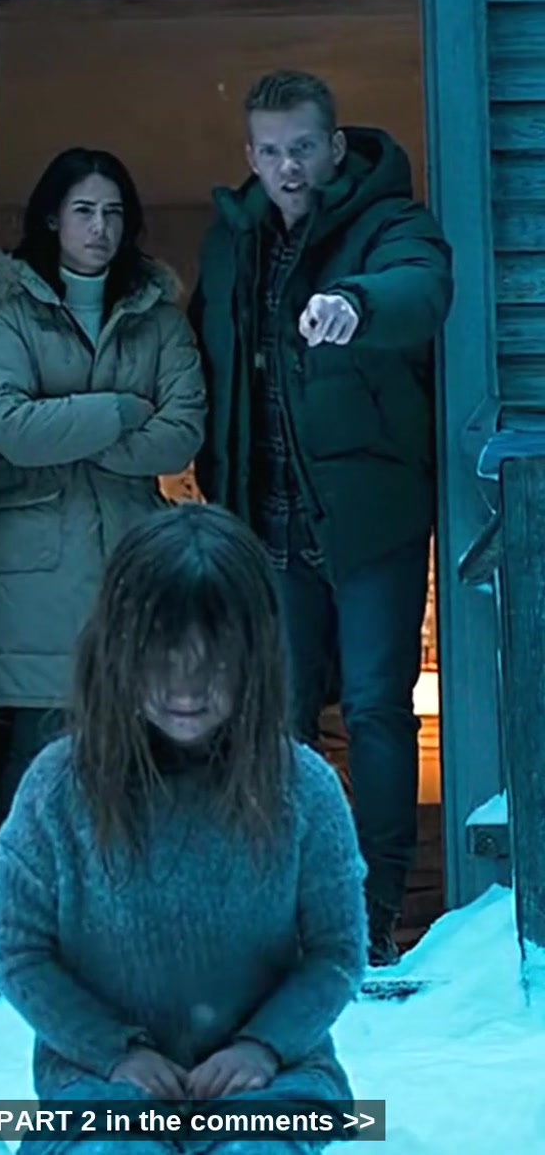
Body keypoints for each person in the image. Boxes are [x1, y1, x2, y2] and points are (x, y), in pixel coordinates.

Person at [0, 503, 367, 1155]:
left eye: (212, 661)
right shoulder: (57, 786)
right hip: (99, 1089)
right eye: (162, 658)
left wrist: (262, 1046)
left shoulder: (304, 787)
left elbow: (335, 952)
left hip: (276, 1087)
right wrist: (114, 1052)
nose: (185, 688)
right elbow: (20, 952)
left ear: (254, 659)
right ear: (117, 653)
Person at [190, 70, 454, 966]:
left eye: (302, 147)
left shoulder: (389, 222)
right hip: (264, 523)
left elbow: (422, 286)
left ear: (336, 147)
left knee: (378, 710)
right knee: (276, 720)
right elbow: (204, 354)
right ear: (250, 154)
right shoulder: (233, 242)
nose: (287, 167)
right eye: (269, 151)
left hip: (372, 517)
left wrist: (356, 304)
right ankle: (287, 911)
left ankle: (377, 918)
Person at [0, 147, 206, 827]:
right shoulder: (10, 310)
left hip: (132, 557)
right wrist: (121, 409)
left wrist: (68, 427)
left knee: (136, 769)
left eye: (113, 212)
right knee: (38, 772)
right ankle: (22, 896)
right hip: (34, 575)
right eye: (84, 211)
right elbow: (12, 428)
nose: (100, 227)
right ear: (53, 218)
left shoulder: (158, 315)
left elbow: (182, 433)